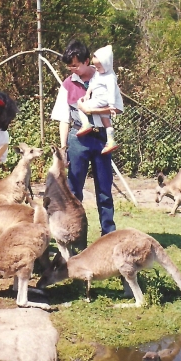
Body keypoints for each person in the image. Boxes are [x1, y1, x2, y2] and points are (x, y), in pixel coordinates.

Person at [51, 39, 123, 236]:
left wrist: (92, 108)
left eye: (75, 64)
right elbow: (63, 118)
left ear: (85, 61)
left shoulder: (105, 76)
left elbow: (116, 106)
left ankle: (109, 234)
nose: (72, 69)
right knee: (74, 191)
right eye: (69, 66)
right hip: (77, 138)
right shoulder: (67, 84)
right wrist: (63, 149)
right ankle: (75, 234)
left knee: (104, 190)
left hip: (101, 139)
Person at [75, 44, 120, 154]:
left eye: (99, 67)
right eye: (96, 67)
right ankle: (110, 141)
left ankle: (85, 124)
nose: (97, 69)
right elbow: (92, 84)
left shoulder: (110, 77)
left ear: (107, 65)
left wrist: (112, 105)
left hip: (102, 99)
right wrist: (87, 93)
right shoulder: (99, 74)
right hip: (99, 99)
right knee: (106, 122)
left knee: (81, 106)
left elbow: (112, 91)